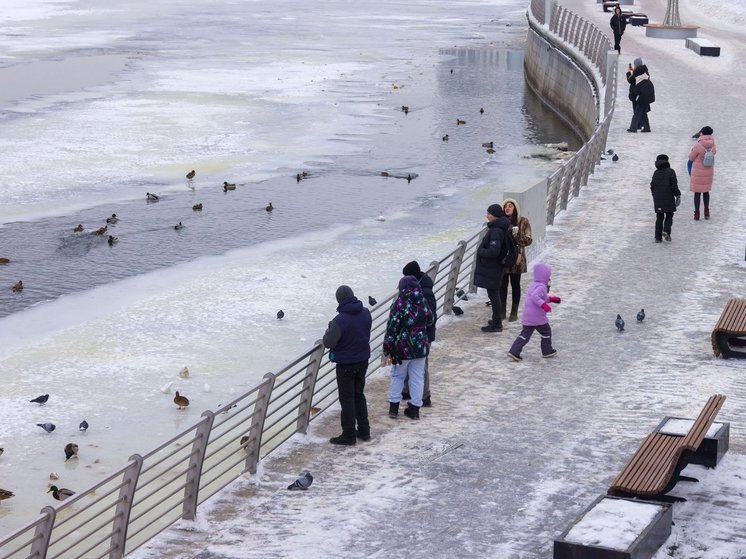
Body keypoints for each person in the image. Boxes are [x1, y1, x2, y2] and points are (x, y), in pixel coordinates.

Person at [322, 285, 372, 445]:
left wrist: (330, 329)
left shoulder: (339, 320)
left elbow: (328, 342)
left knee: (347, 399)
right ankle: (364, 431)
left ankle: (349, 434)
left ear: (339, 300)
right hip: (363, 361)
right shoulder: (366, 312)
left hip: (346, 365)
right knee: (359, 395)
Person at [383, 275, 432, 420]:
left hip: (402, 348)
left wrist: (387, 347)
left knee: (398, 376)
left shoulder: (400, 303)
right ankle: (415, 409)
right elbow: (431, 319)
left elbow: (392, 327)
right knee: (417, 378)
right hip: (421, 346)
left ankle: (393, 408)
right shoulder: (422, 300)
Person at [400, 260, 437, 407]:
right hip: (413, 335)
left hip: (423, 335)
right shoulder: (416, 289)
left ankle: (425, 396)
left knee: (422, 366)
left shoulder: (425, 292)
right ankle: (408, 390)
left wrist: (415, 325)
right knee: (411, 364)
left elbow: (431, 316)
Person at [507, 262, 560, 361]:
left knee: (525, 334)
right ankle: (547, 351)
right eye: (548, 276)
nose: (549, 279)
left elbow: (541, 297)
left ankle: (514, 351)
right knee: (546, 331)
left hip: (528, 315)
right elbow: (535, 297)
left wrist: (551, 299)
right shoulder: (542, 287)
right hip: (537, 317)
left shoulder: (533, 284)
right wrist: (544, 306)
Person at [474, 204, 510, 332]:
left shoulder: (496, 230)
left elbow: (494, 251)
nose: (487, 215)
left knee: (494, 295)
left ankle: (496, 323)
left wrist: (481, 251)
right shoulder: (499, 227)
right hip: (494, 268)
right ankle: (496, 319)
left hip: (493, 268)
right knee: (494, 294)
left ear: (494, 216)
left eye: (489, 213)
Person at [500, 198, 533, 322]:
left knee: (515, 285)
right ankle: (502, 311)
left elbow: (529, 239)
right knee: (502, 286)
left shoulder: (523, 221)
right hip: (503, 259)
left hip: (517, 260)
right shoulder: (501, 222)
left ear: (515, 208)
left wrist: (515, 237)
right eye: (505, 206)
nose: (507, 208)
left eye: (510, 206)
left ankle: (514, 312)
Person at [649, 154, 681, 243]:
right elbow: (674, 185)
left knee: (659, 217)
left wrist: (654, 195)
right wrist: (677, 194)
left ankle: (658, 237)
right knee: (669, 214)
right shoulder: (671, 171)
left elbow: (652, 185)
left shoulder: (656, 172)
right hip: (669, 197)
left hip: (658, 199)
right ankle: (666, 231)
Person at [688, 126, 717, 220]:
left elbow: (691, 158)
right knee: (706, 192)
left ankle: (697, 213)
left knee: (697, 193)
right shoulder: (713, 145)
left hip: (698, 172)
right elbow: (714, 153)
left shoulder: (698, 145)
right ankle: (706, 211)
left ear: (702, 133)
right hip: (708, 171)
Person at [627, 63, 654, 133]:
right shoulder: (644, 74)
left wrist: (629, 72)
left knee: (637, 113)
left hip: (643, 97)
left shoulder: (638, 78)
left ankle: (633, 128)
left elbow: (634, 85)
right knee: (643, 113)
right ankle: (647, 128)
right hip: (648, 96)